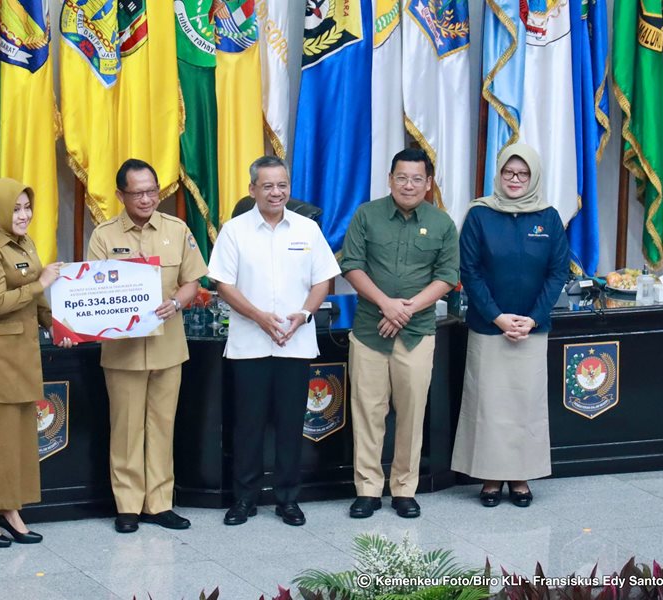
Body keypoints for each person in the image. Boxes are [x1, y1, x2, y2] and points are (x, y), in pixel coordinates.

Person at [208, 155, 340, 527]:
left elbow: (322, 281)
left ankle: (288, 499)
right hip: (250, 344)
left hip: (295, 344)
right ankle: (245, 499)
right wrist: (259, 317)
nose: (276, 192)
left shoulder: (307, 229)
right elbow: (223, 285)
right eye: (267, 186)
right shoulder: (234, 230)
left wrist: (304, 314)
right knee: (247, 425)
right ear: (252, 190)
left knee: (289, 424)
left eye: (282, 185)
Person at [87, 159, 208, 534]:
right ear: (121, 195)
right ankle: (127, 505)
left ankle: (159, 504)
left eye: (152, 191)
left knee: (161, 426)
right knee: (126, 430)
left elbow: (192, 280)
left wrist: (178, 302)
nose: (146, 199)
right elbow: (93, 288)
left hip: (168, 346)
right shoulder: (104, 236)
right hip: (122, 350)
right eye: (138, 192)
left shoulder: (177, 229)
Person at [340, 148, 459, 519]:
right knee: (368, 412)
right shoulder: (366, 215)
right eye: (402, 177)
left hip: (417, 333)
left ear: (428, 183)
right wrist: (386, 304)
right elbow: (352, 266)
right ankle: (368, 490)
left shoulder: (441, 224)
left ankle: (404, 489)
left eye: (417, 179)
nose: (409, 185)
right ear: (390, 179)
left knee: (411, 414)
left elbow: (447, 277)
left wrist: (404, 309)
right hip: (370, 332)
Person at [451, 143, 569, 508]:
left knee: (525, 405)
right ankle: (489, 477)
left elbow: (558, 271)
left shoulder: (548, 217)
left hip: (532, 329)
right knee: (489, 405)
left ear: (533, 177)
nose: (515, 180)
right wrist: (498, 317)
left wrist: (532, 318)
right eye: (508, 173)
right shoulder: (480, 215)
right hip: (490, 328)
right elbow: (468, 270)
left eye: (523, 174)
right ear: (498, 174)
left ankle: (520, 477)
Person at [0, 178, 73, 547]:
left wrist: (56, 326)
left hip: (24, 355)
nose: (24, 215)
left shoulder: (24, 242)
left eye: (27, 207)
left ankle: (10, 509)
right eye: (16, 209)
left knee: (19, 440)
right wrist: (42, 281)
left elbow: (35, 303)